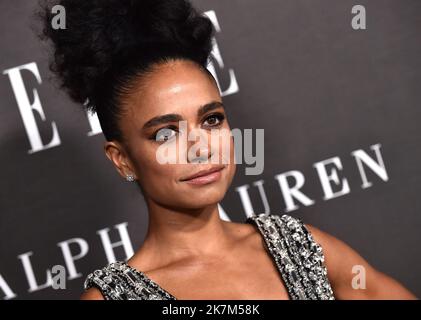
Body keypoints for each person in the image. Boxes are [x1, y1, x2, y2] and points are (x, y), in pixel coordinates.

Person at [38, 0, 416, 300]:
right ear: (122, 160)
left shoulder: (298, 246)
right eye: (166, 133)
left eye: (212, 120)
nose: (200, 148)